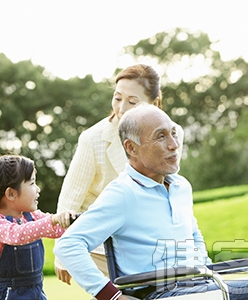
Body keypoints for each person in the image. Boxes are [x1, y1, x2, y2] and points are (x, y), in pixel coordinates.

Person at [54, 104, 248, 300]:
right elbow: (69, 245)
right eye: (161, 136)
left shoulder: (181, 186)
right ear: (131, 148)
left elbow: (193, 233)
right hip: (159, 292)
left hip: (197, 283)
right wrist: (112, 297)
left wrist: (205, 270)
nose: (174, 144)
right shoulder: (122, 193)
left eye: (173, 133)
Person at [53, 64, 184, 284]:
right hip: (101, 238)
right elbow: (69, 199)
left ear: (154, 103)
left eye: (132, 102)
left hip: (148, 236)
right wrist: (62, 256)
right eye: (117, 98)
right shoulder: (92, 138)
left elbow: (168, 186)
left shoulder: (174, 132)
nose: (122, 108)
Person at [0, 154, 77, 300]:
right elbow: (17, 234)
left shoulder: (32, 216)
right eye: (32, 183)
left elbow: (58, 229)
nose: (38, 189)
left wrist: (71, 221)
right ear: (11, 193)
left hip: (36, 295)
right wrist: (53, 219)